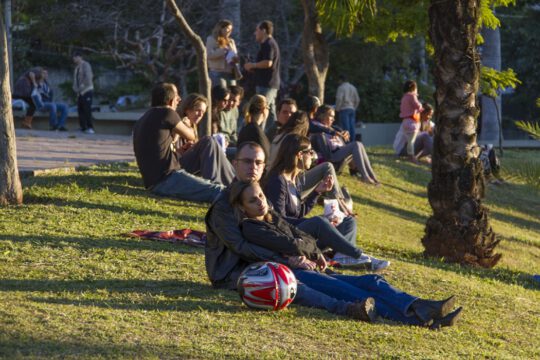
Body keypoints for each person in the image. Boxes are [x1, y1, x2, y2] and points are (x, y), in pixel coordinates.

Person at [220, 179, 463, 328]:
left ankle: (421, 306)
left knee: (372, 280)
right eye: (253, 201)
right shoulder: (251, 227)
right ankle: (420, 320)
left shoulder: (274, 218)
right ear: (243, 207)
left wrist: (311, 250)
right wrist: (304, 250)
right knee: (355, 293)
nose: (261, 202)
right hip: (295, 274)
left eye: (261, 195)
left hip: (308, 266)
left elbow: (301, 237)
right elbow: (293, 243)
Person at [264, 134, 388, 269]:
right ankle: (357, 255)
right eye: (310, 152)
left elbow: (298, 213)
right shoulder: (277, 181)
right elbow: (279, 220)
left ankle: (341, 256)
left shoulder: (295, 179)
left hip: (298, 232)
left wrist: (317, 192)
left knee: (347, 221)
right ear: (300, 154)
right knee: (319, 222)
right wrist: (314, 223)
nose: (313, 155)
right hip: (287, 237)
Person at [133, 83, 224, 203]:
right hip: (166, 180)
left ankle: (238, 187)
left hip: (157, 179)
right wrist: (186, 124)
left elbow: (157, 156)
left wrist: (180, 152)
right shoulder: (167, 113)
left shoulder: (143, 118)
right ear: (170, 101)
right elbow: (191, 136)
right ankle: (238, 192)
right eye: (177, 96)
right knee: (217, 190)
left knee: (208, 143)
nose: (179, 99)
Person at [175, 93, 235, 185]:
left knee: (216, 147)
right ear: (187, 109)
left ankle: (235, 183)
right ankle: (216, 185)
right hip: (177, 167)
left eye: (203, 112)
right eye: (197, 110)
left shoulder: (193, 127)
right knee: (208, 141)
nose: (200, 115)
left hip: (187, 165)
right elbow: (170, 152)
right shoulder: (178, 123)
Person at [312, 105, 380, 185]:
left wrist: (344, 133)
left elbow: (338, 130)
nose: (333, 119)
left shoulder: (330, 127)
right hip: (332, 155)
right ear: (322, 115)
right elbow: (318, 130)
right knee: (356, 144)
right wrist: (334, 133)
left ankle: (371, 175)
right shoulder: (315, 125)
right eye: (331, 116)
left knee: (359, 144)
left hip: (338, 151)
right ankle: (365, 176)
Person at [244, 20, 280, 135]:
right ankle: (273, 135)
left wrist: (252, 65)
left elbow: (268, 62)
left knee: (261, 109)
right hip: (269, 84)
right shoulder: (269, 44)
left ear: (264, 30)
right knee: (271, 113)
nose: (255, 33)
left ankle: (258, 136)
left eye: (257, 30)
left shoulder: (268, 44)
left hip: (266, 84)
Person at [394, 80, 423, 164]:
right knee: (411, 141)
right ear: (413, 88)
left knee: (409, 140)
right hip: (412, 122)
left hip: (405, 121)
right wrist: (421, 106)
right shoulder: (412, 96)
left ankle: (410, 155)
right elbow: (417, 105)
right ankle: (412, 157)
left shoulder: (404, 97)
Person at [206, 20, 240, 87]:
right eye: (227, 28)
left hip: (230, 72)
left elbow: (235, 54)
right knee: (221, 94)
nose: (229, 31)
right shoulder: (211, 39)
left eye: (231, 29)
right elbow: (209, 55)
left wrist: (235, 58)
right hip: (217, 72)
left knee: (232, 94)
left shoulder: (231, 41)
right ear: (220, 28)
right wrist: (223, 50)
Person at [237, 95, 271, 159]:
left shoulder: (246, 128)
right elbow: (267, 156)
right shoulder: (256, 132)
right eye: (268, 108)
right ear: (263, 109)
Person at [72, 51, 95, 134]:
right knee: (80, 110)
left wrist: (81, 87)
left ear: (79, 57)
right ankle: (83, 127)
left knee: (87, 109)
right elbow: (75, 80)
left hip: (87, 90)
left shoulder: (86, 65)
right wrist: (75, 88)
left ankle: (90, 128)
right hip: (80, 93)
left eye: (75, 57)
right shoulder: (76, 67)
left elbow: (88, 77)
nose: (73, 59)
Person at [335, 75, 360, 142]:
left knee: (345, 127)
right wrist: (354, 108)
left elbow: (339, 99)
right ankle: (352, 142)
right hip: (352, 109)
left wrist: (337, 108)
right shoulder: (353, 87)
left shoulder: (341, 87)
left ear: (341, 80)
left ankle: (346, 142)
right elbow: (357, 100)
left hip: (344, 108)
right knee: (352, 127)